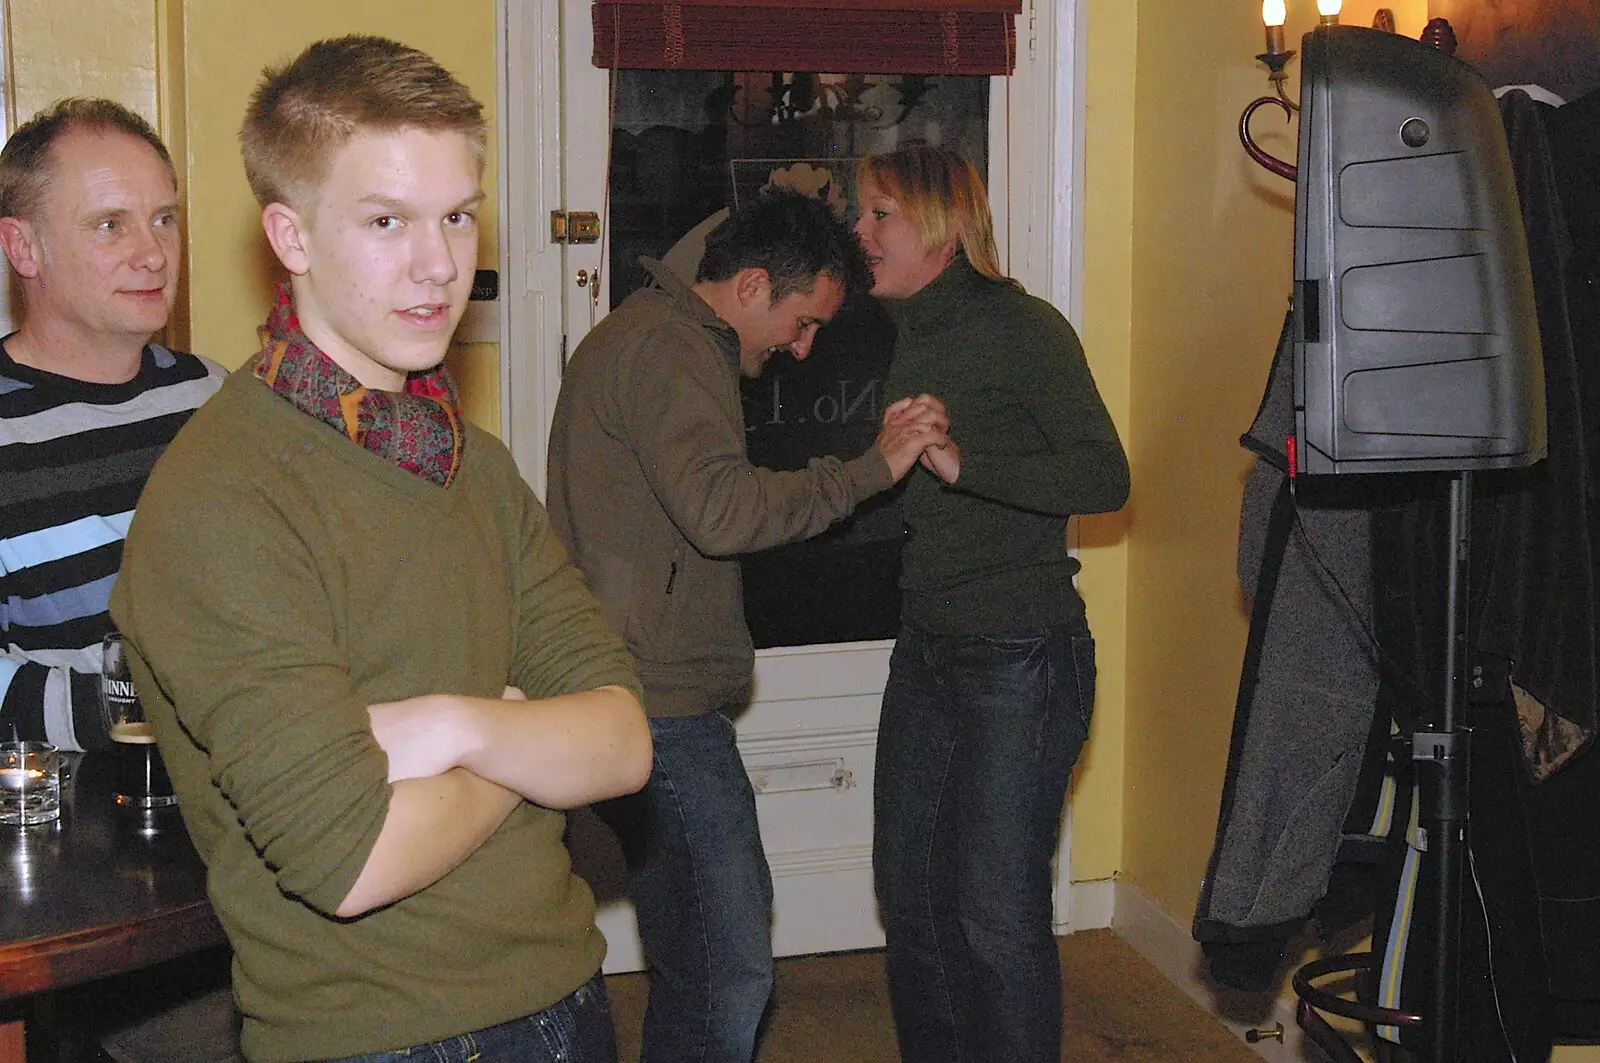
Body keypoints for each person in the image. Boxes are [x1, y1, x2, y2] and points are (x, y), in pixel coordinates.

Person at [108, 36, 651, 1063]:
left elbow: (623, 742)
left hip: (566, 1002)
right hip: (375, 1038)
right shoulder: (224, 498)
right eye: (387, 221)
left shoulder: (470, 464)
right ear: (292, 235)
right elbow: (351, 858)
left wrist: (450, 724)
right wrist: (523, 734)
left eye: (455, 214)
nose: (439, 264)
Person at [546, 190, 950, 1063]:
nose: (800, 347)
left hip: (635, 682)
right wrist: (869, 470)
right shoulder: (672, 351)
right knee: (728, 965)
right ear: (754, 283)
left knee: (703, 946)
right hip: (657, 698)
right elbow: (723, 512)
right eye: (801, 322)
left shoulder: (651, 332)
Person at [855, 144, 1130, 1063]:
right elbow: (908, 498)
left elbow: (1104, 474)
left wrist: (965, 462)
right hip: (927, 647)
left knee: (995, 911)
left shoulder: (1023, 328)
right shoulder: (912, 337)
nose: (861, 233)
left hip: (1020, 653)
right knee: (910, 892)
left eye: (878, 214)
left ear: (936, 223)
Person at [0, 98, 224, 751]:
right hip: (68, 823)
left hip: (239, 798)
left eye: (164, 220)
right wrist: (162, 712)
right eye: (109, 225)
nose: (152, 254)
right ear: (23, 247)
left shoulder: (214, 398)